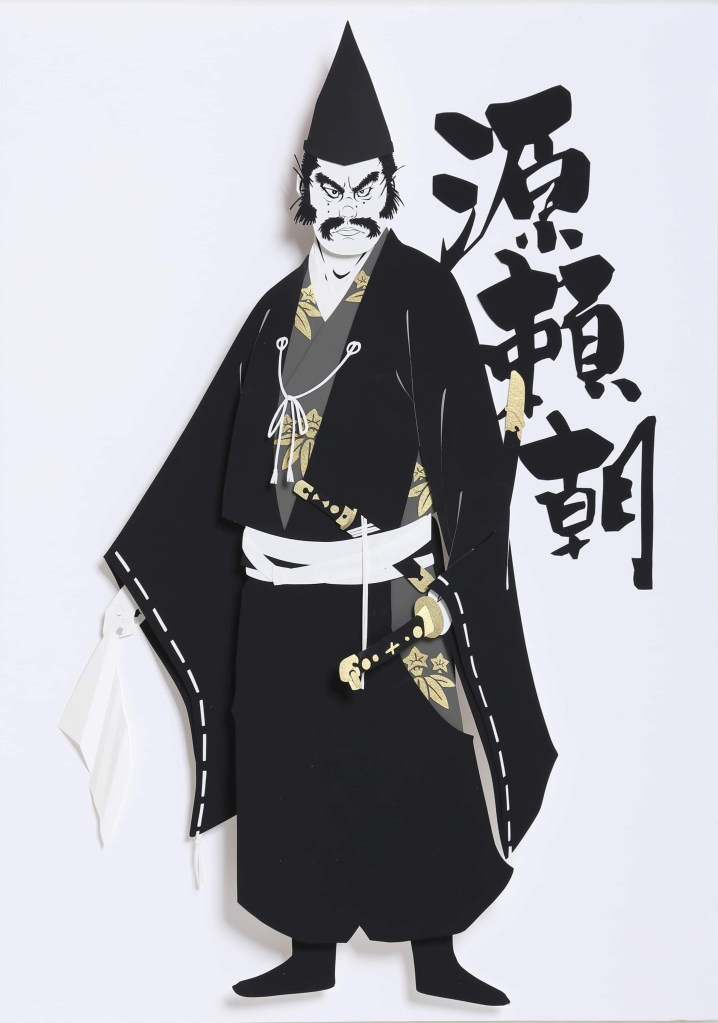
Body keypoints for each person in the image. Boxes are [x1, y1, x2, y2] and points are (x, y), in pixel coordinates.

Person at [103, 24, 556, 1006]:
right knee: (292, 759)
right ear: (305, 191)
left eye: (364, 189)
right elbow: (212, 447)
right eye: (330, 188)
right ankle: (307, 948)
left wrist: (438, 562)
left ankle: (435, 951)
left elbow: (467, 457)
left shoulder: (424, 298)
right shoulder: (277, 311)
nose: (346, 210)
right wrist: (142, 571)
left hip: (392, 586)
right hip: (281, 593)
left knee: (420, 758)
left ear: (388, 192)